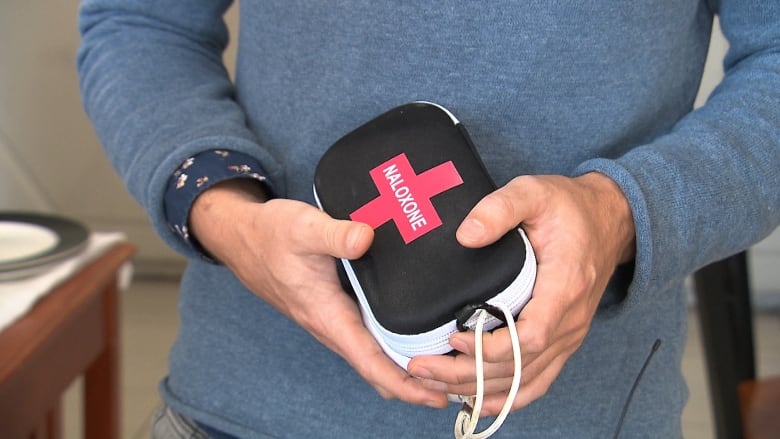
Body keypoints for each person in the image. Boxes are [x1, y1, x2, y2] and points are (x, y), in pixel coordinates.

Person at [77, 1, 780, 438]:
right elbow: (138, 21)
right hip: (236, 409)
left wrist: (621, 210)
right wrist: (226, 214)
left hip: (591, 416)